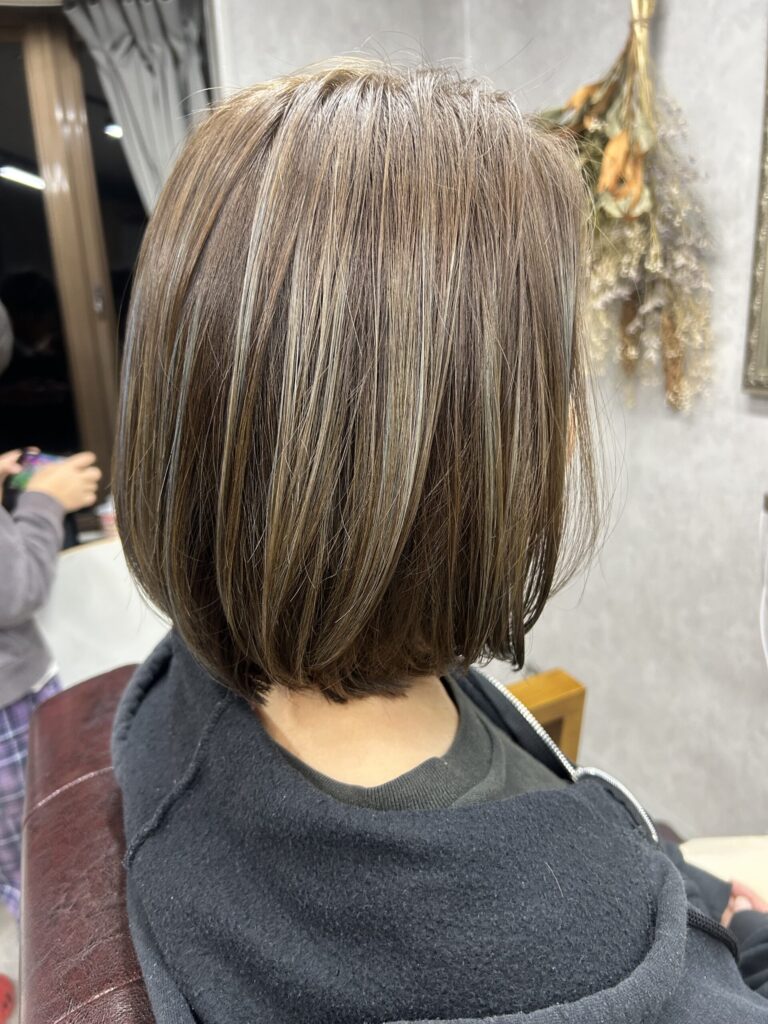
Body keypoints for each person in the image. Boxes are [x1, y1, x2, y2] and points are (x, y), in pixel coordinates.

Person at [112, 61, 768, 1023]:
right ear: (459, 452)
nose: (573, 425)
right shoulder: (601, 961)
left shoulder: (179, 695)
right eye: (560, 377)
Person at [0, 448, 101, 917]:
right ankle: (57, 930)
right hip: (9, 707)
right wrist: (45, 501)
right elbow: (14, 590)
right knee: (43, 842)